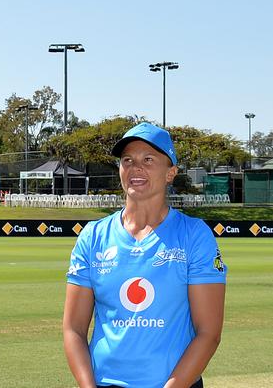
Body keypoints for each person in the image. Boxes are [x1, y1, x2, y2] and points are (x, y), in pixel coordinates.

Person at [63, 122, 226, 388]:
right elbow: (74, 329)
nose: (136, 168)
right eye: (128, 160)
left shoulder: (195, 235)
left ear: (170, 172)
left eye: (148, 159)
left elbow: (208, 334)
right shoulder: (93, 236)